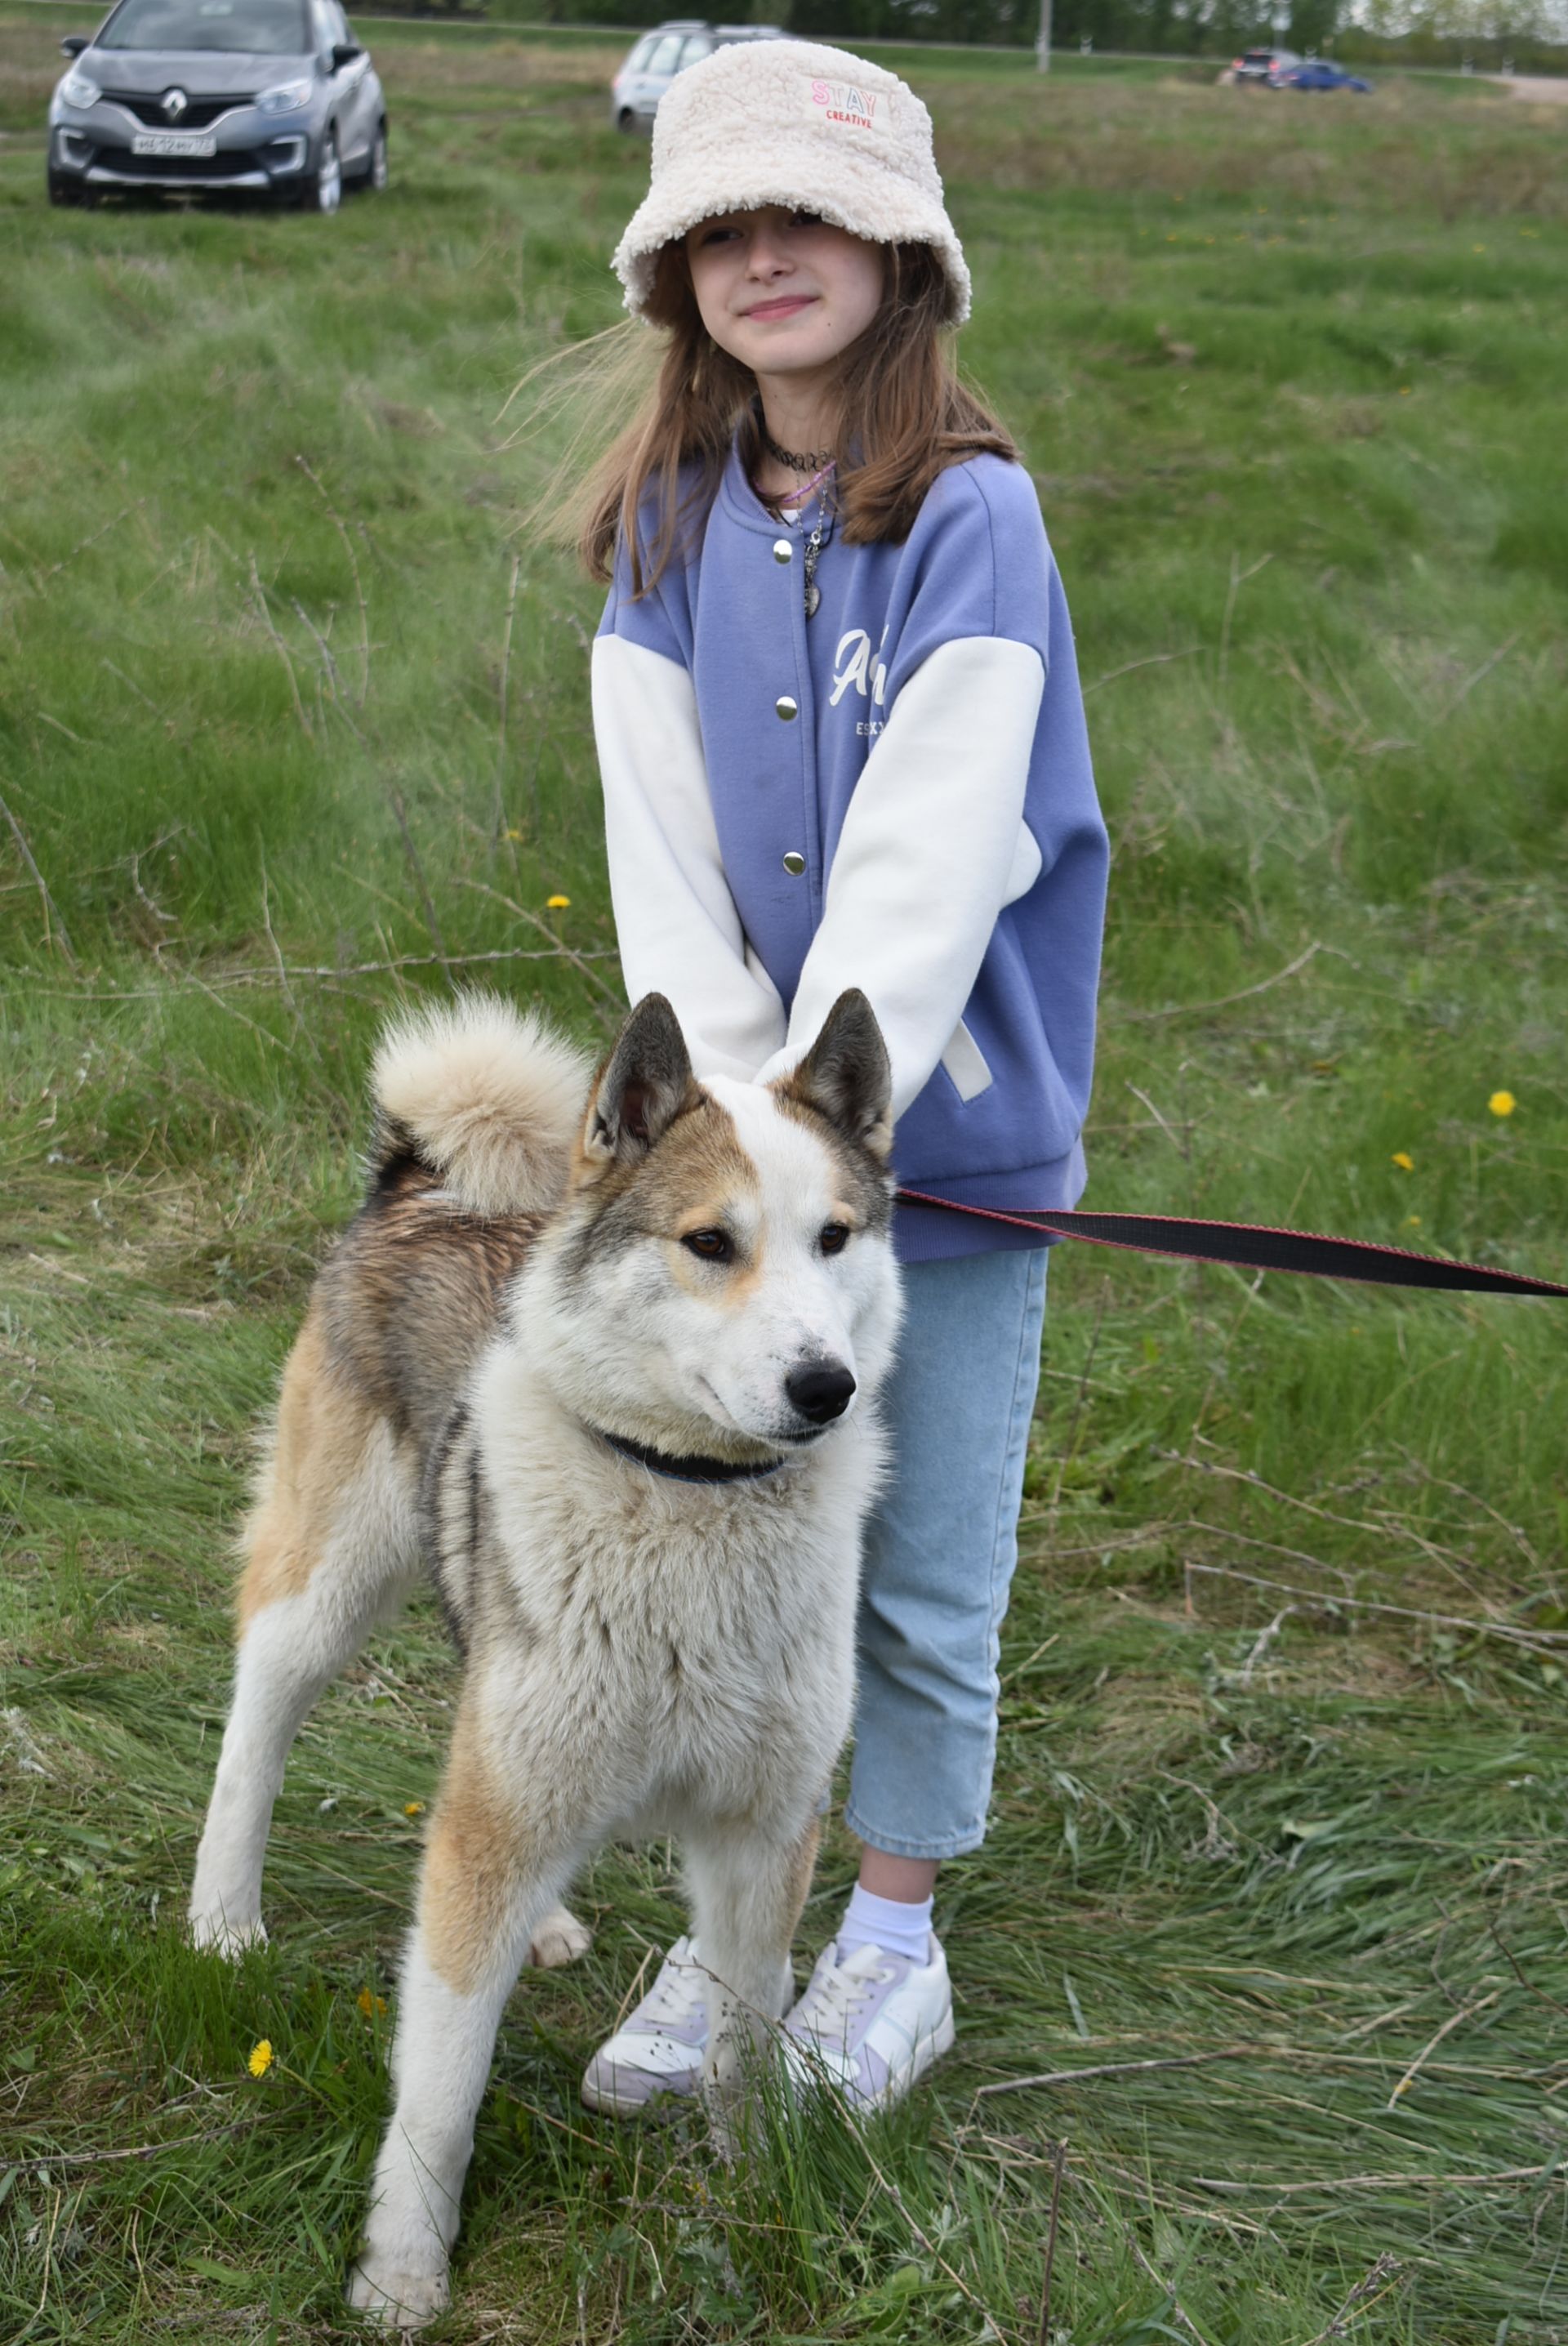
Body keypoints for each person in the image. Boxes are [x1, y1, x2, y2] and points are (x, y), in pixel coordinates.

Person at [564, 36, 1109, 2114]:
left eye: (810, 211)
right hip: (736, 1185)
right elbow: (662, 857)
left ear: (903, 245)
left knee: (923, 1549)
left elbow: (927, 866)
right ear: (673, 265)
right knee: (753, 1557)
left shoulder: (976, 520)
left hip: (935, 1159)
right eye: (721, 220)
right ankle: (737, 1936)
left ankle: (893, 1937)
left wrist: (827, 1139)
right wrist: (722, 1128)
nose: (764, 250)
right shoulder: (660, 528)